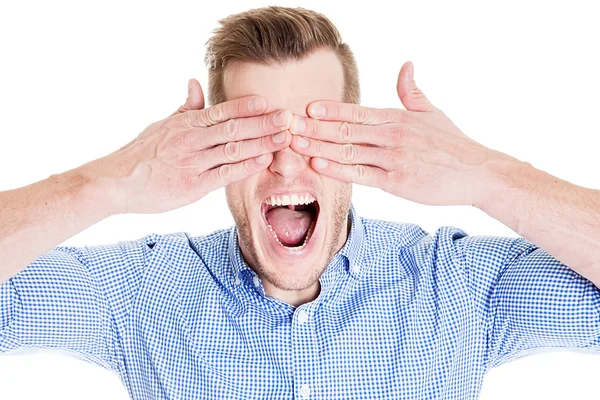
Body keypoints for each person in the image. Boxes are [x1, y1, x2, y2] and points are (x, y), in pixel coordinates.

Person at [1, 5, 599, 400]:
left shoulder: (460, 287)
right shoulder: (142, 293)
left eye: (318, 136)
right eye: (254, 136)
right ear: (210, 151)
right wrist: (108, 183)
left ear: (363, 144)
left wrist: (487, 176)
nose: (286, 163)